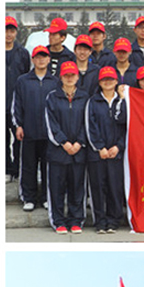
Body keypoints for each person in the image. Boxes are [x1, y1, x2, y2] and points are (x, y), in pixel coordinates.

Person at [45, 61, 90, 234]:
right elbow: (51, 124)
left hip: (79, 152)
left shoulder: (85, 97)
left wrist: (79, 142)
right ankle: (58, 222)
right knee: (56, 189)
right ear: (61, 77)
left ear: (77, 77)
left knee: (77, 188)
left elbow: (87, 123)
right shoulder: (52, 97)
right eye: (66, 75)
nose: (69, 78)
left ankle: (76, 220)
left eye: (72, 75)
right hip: (58, 152)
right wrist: (64, 142)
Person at [12, 45, 58, 212]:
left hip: (49, 133)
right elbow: (17, 104)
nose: (41, 60)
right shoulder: (23, 80)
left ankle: (46, 197)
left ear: (48, 59)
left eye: (44, 57)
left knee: (48, 166)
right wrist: (18, 125)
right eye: (37, 57)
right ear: (33, 59)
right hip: (29, 131)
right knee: (28, 166)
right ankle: (28, 197)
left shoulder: (55, 81)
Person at [85, 66, 127, 234]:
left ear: (116, 81)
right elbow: (90, 126)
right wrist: (100, 147)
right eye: (104, 79)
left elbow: (127, 127)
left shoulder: (122, 101)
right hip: (98, 154)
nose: (108, 82)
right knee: (98, 188)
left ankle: (113, 221)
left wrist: (118, 146)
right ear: (99, 82)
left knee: (115, 187)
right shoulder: (92, 102)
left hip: (116, 154)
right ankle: (100, 221)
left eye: (111, 79)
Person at [5, 16, 30, 181]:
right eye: (5, 30)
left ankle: (17, 169)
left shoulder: (22, 53)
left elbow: (26, 76)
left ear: (16, 32)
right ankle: (6, 169)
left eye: (12, 31)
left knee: (19, 139)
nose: (8, 34)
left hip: (16, 105)